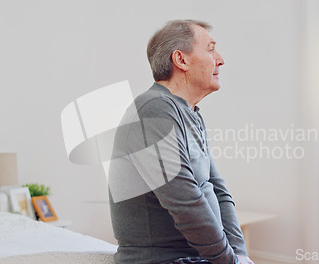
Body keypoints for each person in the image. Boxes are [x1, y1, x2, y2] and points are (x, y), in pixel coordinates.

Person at [108, 20, 254, 264]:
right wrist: (228, 261)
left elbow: (218, 189)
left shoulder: (190, 112)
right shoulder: (153, 110)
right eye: (210, 49)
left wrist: (239, 253)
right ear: (181, 60)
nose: (220, 59)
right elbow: (185, 201)